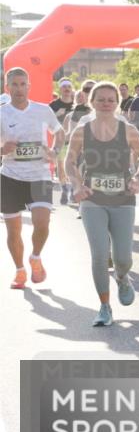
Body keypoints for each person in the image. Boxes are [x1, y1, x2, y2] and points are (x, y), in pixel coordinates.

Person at [64, 82, 139, 326]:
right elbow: (69, 161)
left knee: (123, 258)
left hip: (123, 199)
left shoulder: (128, 129)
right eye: (100, 99)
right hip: (93, 199)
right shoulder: (82, 131)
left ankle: (123, 278)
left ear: (117, 103)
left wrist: (138, 179)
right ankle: (104, 307)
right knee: (100, 255)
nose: (105, 103)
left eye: (110, 99)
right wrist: (77, 185)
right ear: (91, 102)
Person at [1, 68, 64, 289]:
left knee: (42, 223)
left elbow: (59, 132)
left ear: (29, 86)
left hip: (40, 175)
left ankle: (35, 257)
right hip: (11, 176)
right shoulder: (2, 113)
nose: (19, 89)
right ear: (8, 87)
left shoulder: (42, 110)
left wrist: (55, 152)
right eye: (14, 85)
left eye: (22, 84)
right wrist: (2, 149)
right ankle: (19, 271)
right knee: (13, 229)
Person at [49, 79, 76, 205]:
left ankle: (74, 189)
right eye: (64, 86)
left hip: (77, 140)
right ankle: (65, 189)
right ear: (60, 89)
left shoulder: (77, 104)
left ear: (72, 89)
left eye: (69, 86)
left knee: (75, 166)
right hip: (61, 140)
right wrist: (56, 114)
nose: (67, 89)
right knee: (61, 166)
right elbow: (45, 122)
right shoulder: (54, 105)